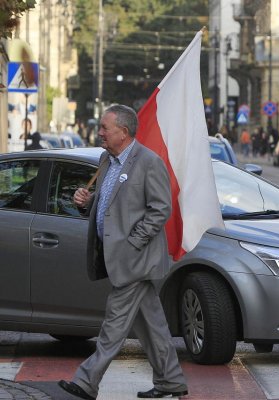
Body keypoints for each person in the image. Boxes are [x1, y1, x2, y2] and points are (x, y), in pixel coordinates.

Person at [59, 104, 188, 400]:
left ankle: (86, 381)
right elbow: (110, 207)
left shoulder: (148, 162)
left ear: (124, 132)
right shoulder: (107, 159)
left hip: (134, 260)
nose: (100, 132)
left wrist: (133, 243)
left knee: (113, 325)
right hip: (117, 257)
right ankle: (171, 382)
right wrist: (86, 201)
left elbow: (161, 209)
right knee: (153, 327)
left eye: (105, 128)